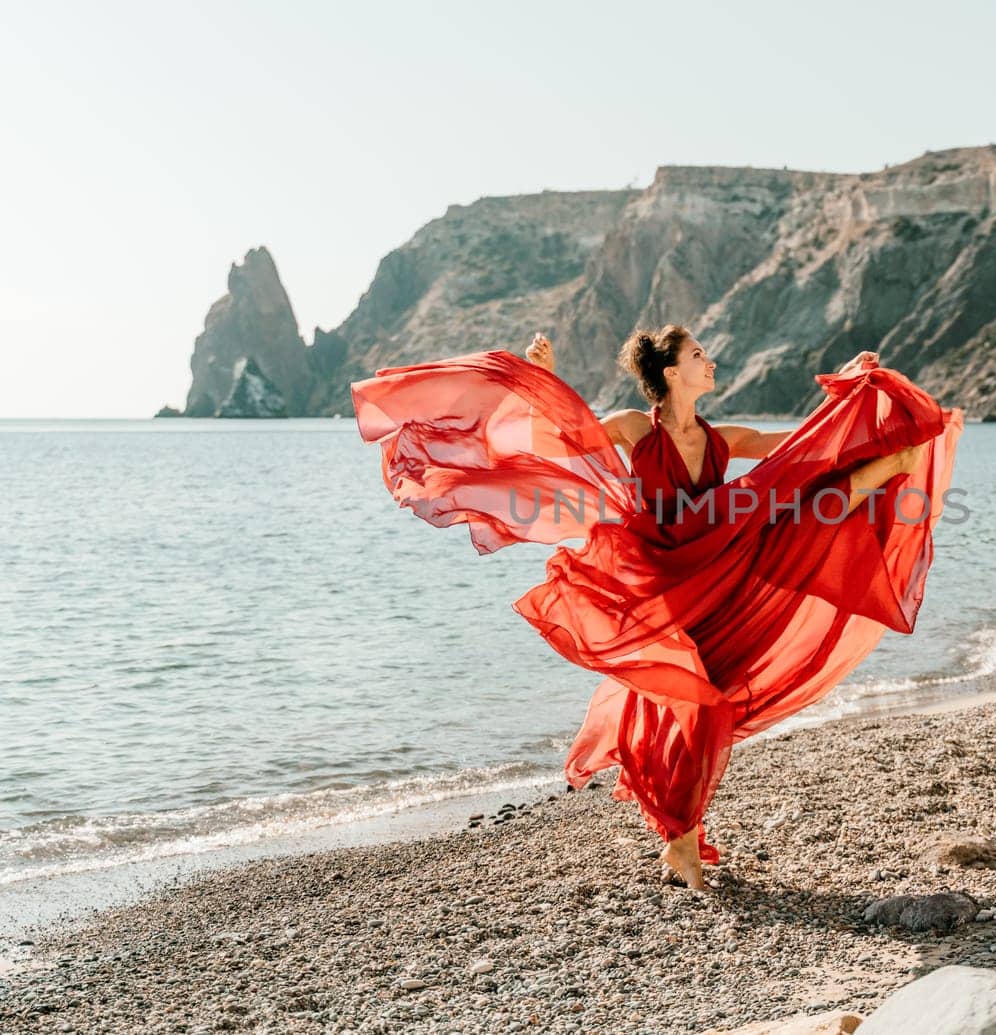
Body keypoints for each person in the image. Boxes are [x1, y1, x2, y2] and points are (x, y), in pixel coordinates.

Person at [351, 325, 963, 889]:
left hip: (714, 565)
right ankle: (683, 840)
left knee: (787, 528)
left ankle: (681, 838)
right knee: (698, 697)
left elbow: (807, 446)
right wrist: (550, 378)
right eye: (698, 355)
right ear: (670, 372)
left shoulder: (726, 438)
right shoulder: (634, 428)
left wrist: (856, 391)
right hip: (659, 572)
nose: (710, 361)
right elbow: (556, 440)